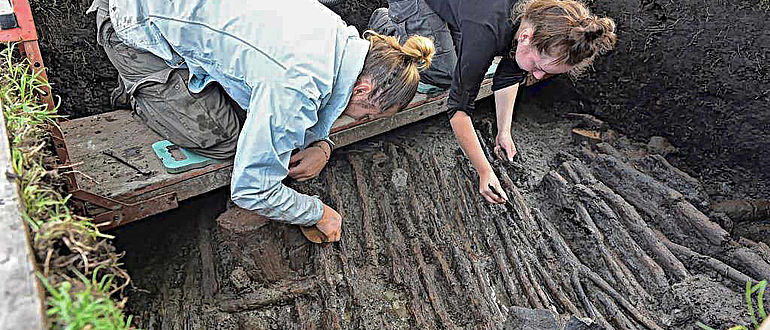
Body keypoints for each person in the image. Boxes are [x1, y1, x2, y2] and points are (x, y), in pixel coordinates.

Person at [89, 0, 434, 242]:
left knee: (255, 121)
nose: (360, 119)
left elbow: (319, 103)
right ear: (363, 89)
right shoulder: (297, 84)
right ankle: (139, 87)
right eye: (368, 114)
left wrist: (322, 144)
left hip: (174, 11)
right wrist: (316, 213)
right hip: (131, 22)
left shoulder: (339, 39)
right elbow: (251, 188)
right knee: (226, 139)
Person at [370, 0, 616, 204]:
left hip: (471, 11)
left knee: (466, 55)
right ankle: (387, 25)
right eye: (538, 67)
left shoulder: (543, 20)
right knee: (444, 73)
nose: (538, 76)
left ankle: (434, 27)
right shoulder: (486, 31)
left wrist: (504, 132)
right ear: (526, 37)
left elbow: (510, 71)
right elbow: (458, 108)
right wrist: (484, 170)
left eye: (547, 73)